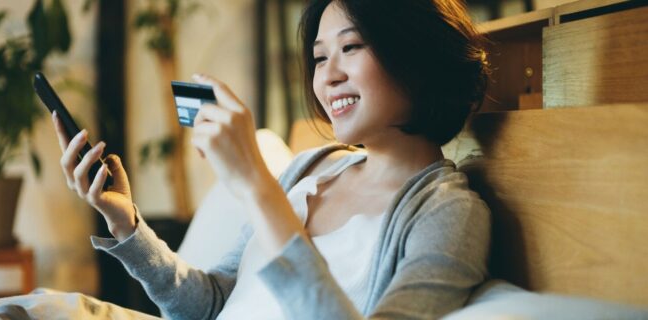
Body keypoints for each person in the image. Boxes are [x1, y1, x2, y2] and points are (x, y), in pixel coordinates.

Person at [53, 0, 491, 318]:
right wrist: (126, 223)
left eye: (351, 47)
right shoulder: (310, 168)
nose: (328, 75)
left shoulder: (449, 212)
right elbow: (211, 304)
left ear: (416, 56)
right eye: (320, 57)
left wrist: (255, 185)